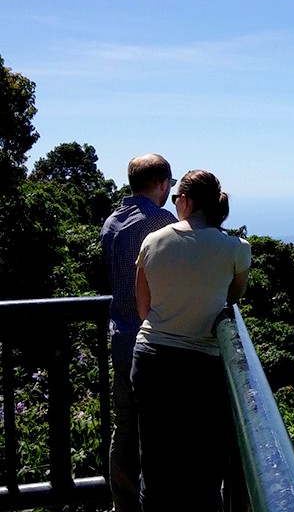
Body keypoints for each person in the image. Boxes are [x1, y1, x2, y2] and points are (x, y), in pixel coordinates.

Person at [131, 169, 251, 512]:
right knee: (205, 467)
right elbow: (233, 296)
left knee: (155, 464)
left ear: (185, 200)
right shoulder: (236, 249)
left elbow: (143, 307)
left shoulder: (153, 241)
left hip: (151, 358)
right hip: (203, 364)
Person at [100, 154, 177, 512]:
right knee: (159, 431)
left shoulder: (112, 221)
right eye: (169, 185)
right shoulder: (160, 221)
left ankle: (124, 504)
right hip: (152, 341)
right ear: (161, 184)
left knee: (125, 426)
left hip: (120, 336)